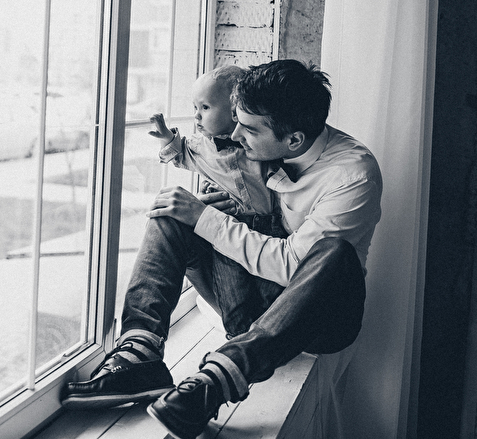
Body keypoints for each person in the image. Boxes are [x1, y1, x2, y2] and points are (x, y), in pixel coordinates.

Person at [60, 59, 382, 439]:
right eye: (236, 122)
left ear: (293, 141)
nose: (237, 136)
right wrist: (204, 210)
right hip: (245, 306)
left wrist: (208, 219)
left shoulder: (352, 174)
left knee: (335, 253)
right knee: (175, 210)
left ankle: (213, 383)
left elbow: (293, 265)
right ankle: (139, 353)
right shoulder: (267, 139)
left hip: (313, 321)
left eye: (249, 129)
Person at [149, 66, 286, 337]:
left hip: (271, 230)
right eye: (195, 107)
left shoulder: (261, 143)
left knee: (272, 293)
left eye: (205, 107)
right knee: (233, 298)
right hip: (225, 231)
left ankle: (267, 339)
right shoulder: (201, 147)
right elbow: (180, 152)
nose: (197, 115)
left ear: (235, 110)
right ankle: (237, 339)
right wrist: (166, 137)